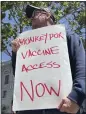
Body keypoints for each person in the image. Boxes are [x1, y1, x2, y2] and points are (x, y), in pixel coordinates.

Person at [11, 4, 85, 114]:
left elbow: (82, 69)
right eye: (30, 16)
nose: (32, 17)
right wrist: (16, 54)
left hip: (63, 108)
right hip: (30, 110)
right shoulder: (25, 46)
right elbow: (20, 77)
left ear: (48, 15)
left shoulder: (68, 37)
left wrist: (76, 98)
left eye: (35, 13)